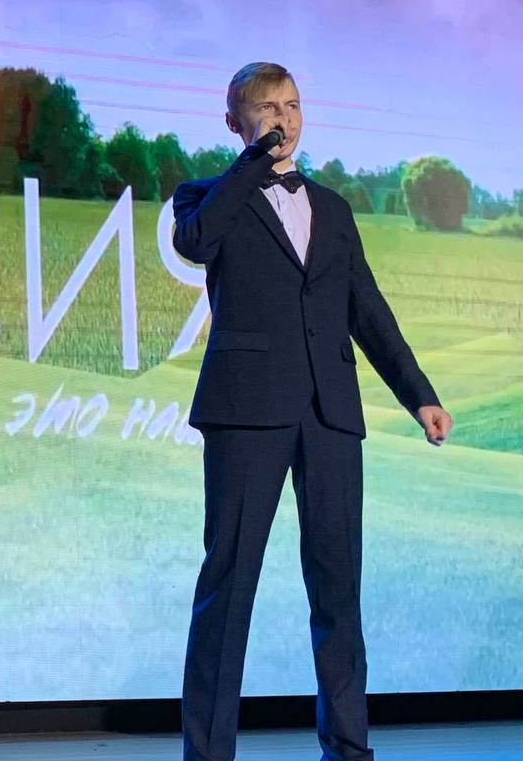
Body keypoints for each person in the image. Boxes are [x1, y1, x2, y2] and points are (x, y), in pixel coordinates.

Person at [173, 62, 453, 761]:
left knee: (337, 588)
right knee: (228, 585)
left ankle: (349, 750)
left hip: (330, 413)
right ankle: (208, 754)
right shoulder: (205, 195)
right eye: (267, 107)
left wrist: (418, 393)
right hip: (246, 411)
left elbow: (367, 308)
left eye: (293, 105)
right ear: (234, 120)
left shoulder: (332, 206)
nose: (284, 118)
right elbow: (196, 243)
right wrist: (250, 165)